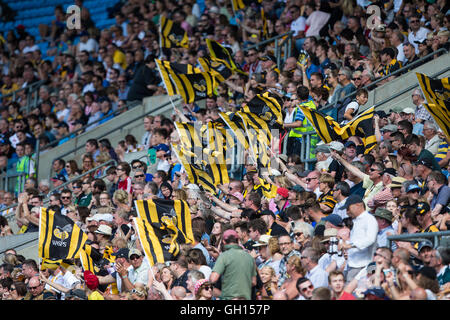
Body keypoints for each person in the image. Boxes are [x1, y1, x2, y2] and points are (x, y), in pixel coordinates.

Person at [338, 194, 378, 282]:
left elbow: (370, 239)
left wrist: (350, 245)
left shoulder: (369, 219)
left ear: (358, 205)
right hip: (354, 264)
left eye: (348, 208)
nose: (347, 212)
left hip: (364, 264)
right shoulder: (355, 221)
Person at [209, 229, 257, 300]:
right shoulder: (249, 257)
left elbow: (213, 279)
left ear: (223, 242)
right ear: (237, 240)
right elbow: (254, 282)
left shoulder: (224, 256)